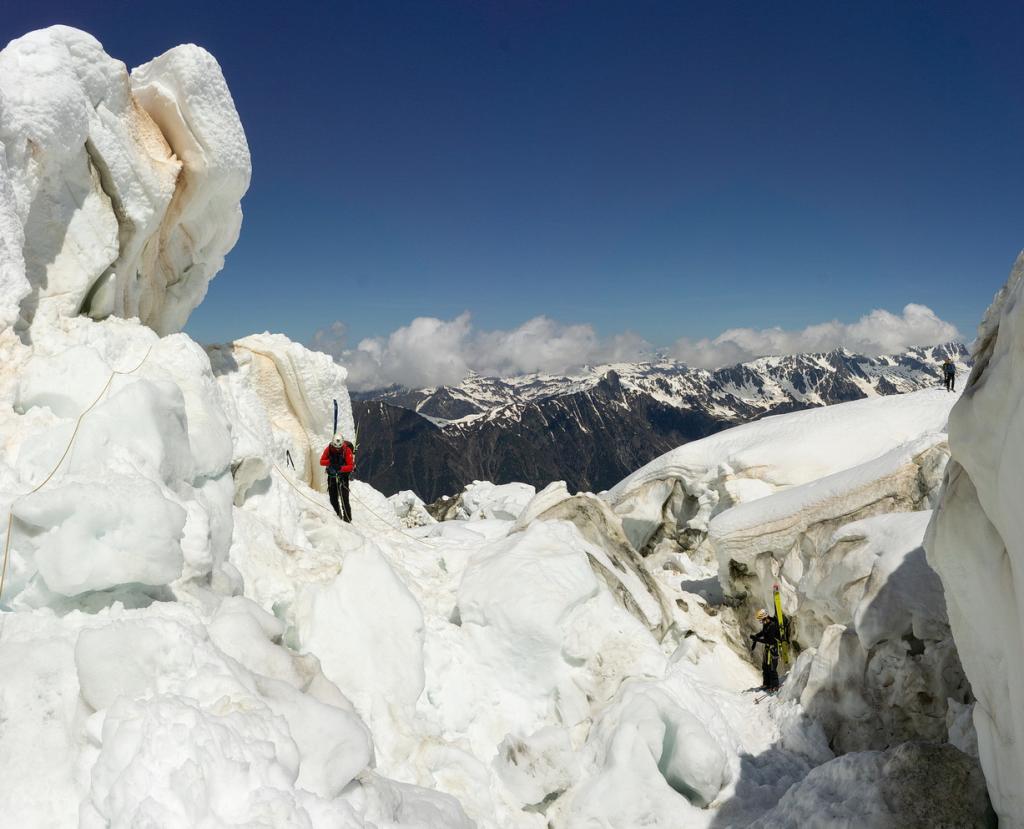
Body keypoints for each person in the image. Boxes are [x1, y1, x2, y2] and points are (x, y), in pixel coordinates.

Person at [320, 434, 355, 522]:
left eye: (339, 447)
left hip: (343, 477)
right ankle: (337, 519)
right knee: (333, 498)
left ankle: (347, 520)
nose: (337, 449)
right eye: (336, 447)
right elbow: (321, 461)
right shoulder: (329, 449)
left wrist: (340, 468)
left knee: (344, 499)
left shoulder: (346, 450)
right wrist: (330, 461)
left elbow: (351, 466)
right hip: (332, 477)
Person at [750, 608, 781, 691]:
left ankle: (775, 685)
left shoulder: (773, 625)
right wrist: (756, 636)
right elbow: (763, 633)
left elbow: (770, 640)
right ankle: (766, 684)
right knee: (765, 666)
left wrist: (757, 640)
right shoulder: (766, 624)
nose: (761, 622)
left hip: (773, 648)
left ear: (765, 617)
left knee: (772, 667)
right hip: (767, 648)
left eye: (761, 619)